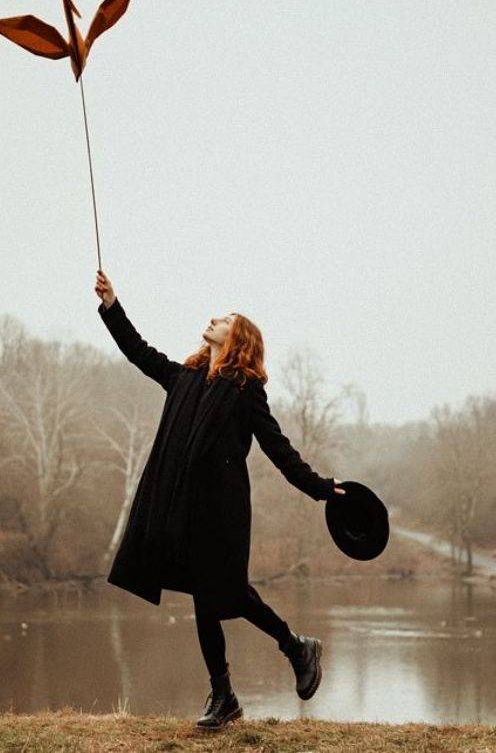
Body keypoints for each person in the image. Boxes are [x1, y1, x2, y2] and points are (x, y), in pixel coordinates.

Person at [93, 269, 345, 732]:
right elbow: (137, 350)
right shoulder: (184, 378)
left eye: (225, 319)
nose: (214, 319)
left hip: (222, 514)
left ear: (239, 339)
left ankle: (294, 647)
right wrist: (111, 305)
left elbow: (278, 449)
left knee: (230, 594)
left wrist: (321, 487)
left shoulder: (246, 392)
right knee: (205, 599)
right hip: (183, 511)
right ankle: (226, 694)